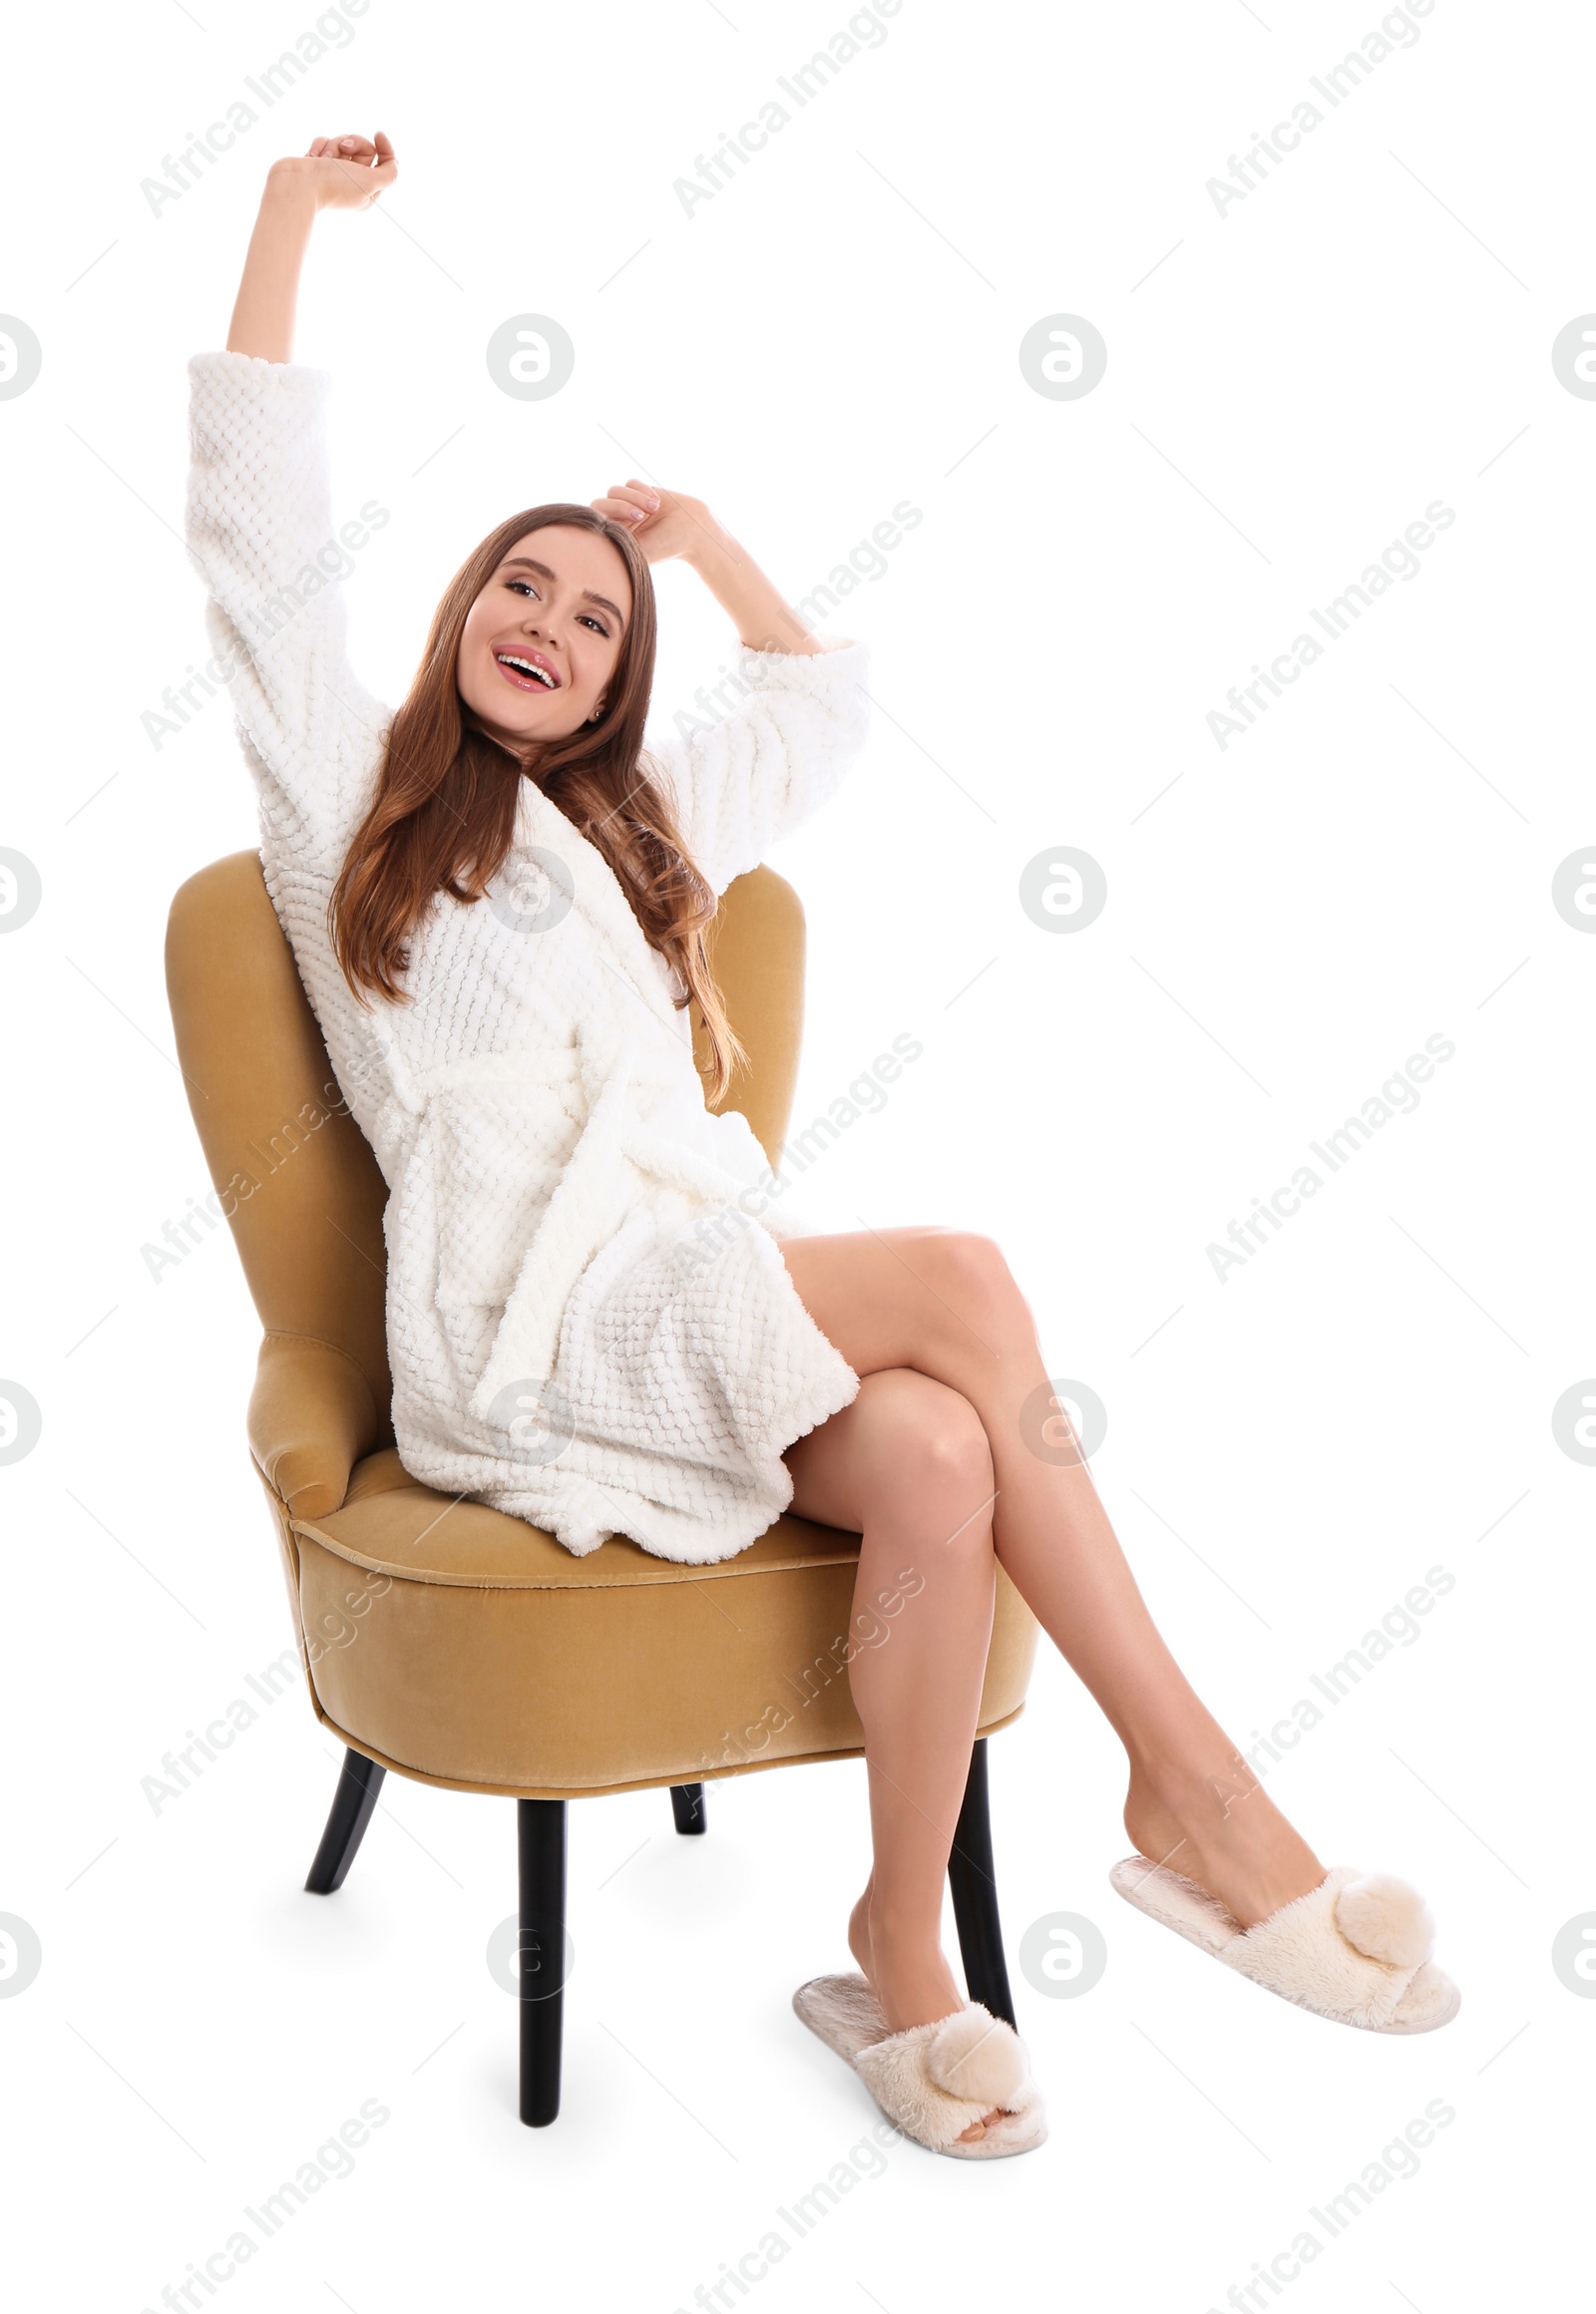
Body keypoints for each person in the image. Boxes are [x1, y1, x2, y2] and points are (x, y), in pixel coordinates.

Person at [190, 130, 1458, 2164]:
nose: (550, 618)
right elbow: (254, 547)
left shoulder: (634, 842)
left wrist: (702, 546)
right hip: (521, 1321)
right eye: (519, 584)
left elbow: (823, 699)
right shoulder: (348, 806)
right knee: (960, 1275)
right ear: (455, 620)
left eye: (595, 616)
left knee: (946, 1447)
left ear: (615, 684)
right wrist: (286, 219)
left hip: (682, 1284)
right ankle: (1194, 1794)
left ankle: (895, 1951)